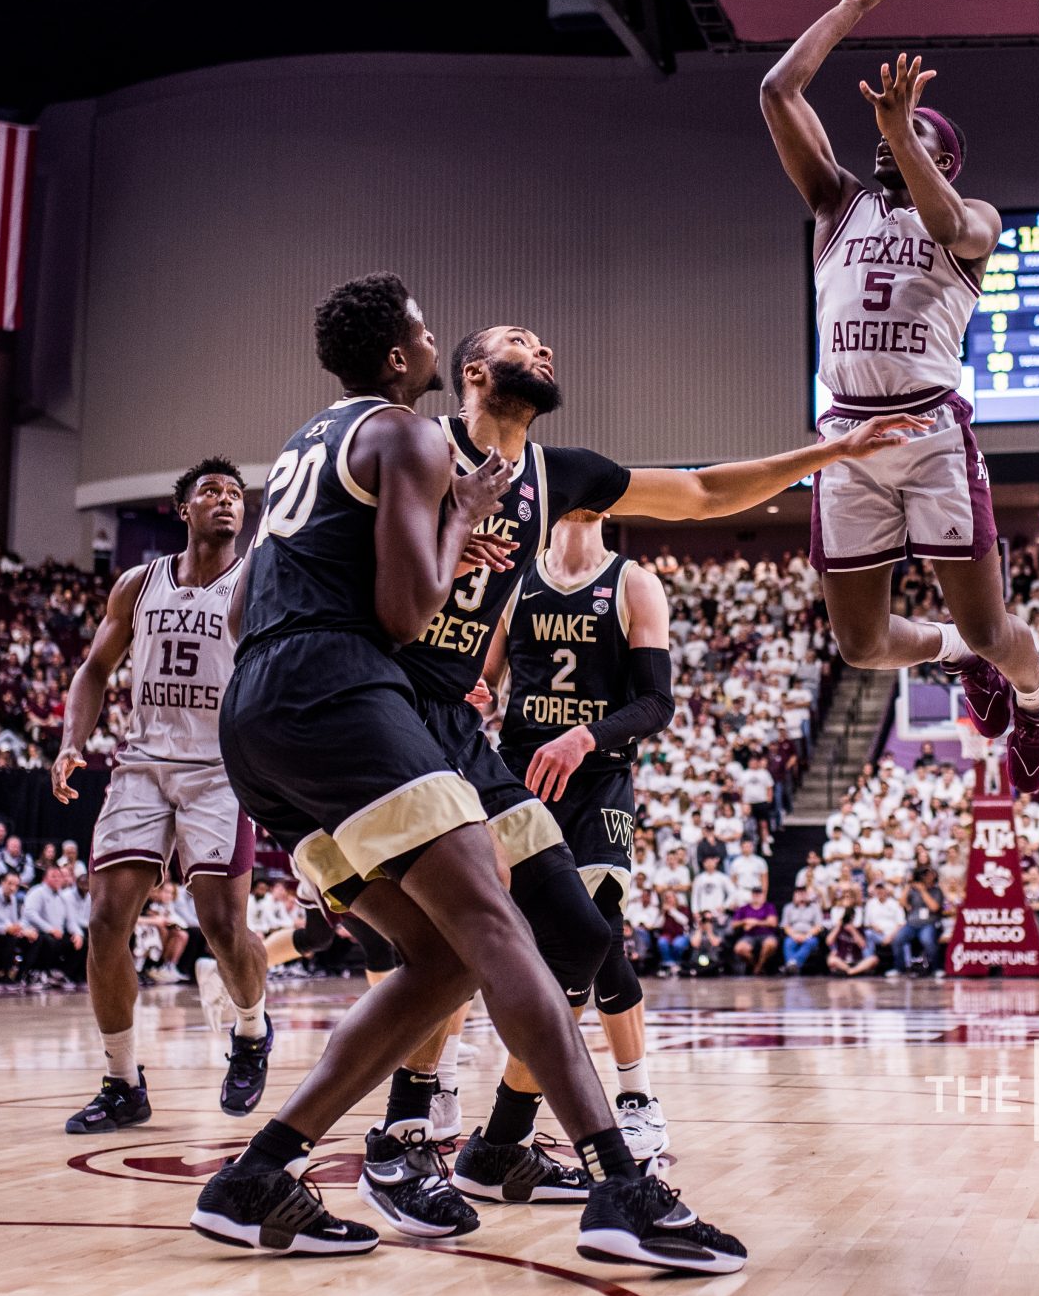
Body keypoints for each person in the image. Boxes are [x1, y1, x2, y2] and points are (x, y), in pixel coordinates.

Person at [188, 274, 743, 1274]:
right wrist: (464, 513)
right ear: (405, 360)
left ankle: (260, 1171)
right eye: (426, 333)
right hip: (346, 696)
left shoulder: (306, 445)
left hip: (258, 718)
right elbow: (404, 616)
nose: (435, 339)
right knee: (491, 921)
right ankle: (618, 1178)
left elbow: (235, 617)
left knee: (441, 957)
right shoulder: (409, 437)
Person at [363, 318, 914, 1168]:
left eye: (550, 342)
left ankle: (503, 1132)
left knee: (571, 938)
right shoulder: (409, 443)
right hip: (387, 709)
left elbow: (702, 493)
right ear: (472, 370)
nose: (544, 349)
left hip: (498, 743)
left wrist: (831, 454)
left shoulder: (560, 480)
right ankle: (408, 1128)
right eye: (520, 340)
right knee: (449, 940)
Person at [760, 0, 1039, 796]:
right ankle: (957, 655)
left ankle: (1035, 698)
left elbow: (949, 222)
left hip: (930, 434)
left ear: (948, 160)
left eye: (916, 137)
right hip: (848, 436)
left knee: (992, 624)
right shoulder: (836, 205)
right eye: (888, 132)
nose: (890, 142)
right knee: (859, 644)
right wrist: (850, 13)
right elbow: (777, 89)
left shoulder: (976, 220)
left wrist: (902, 127)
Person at [50, 458, 274, 1134]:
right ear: (184, 508)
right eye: (211, 491)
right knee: (106, 917)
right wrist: (71, 741)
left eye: (236, 494)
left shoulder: (255, 581)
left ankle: (252, 1029)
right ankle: (122, 1081)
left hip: (218, 766)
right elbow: (93, 669)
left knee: (222, 926)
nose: (226, 501)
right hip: (143, 760)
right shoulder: (136, 583)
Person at [465, 507, 677, 1186]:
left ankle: (637, 1096)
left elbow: (656, 703)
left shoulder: (633, 582)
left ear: (608, 502)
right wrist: (467, 694)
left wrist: (586, 734)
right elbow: (482, 680)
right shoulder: (516, 581)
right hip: (518, 778)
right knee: (501, 938)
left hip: (598, 781)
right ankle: (447, 1097)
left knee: (600, 931)